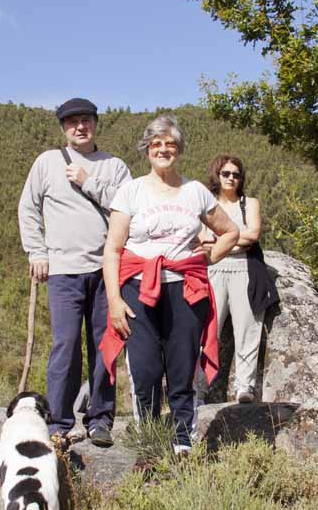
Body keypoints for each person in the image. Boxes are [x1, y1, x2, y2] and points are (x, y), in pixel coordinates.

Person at [100, 115, 239, 455]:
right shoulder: (131, 190)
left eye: (170, 144)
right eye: (156, 144)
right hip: (137, 289)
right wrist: (115, 302)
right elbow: (113, 250)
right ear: (147, 149)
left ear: (179, 150)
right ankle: (149, 443)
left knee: (181, 369)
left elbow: (231, 232)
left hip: (185, 289)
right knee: (145, 371)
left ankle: (182, 443)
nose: (163, 150)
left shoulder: (194, 192)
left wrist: (206, 258)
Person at [17, 97, 131, 446]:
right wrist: (37, 251)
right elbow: (28, 208)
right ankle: (59, 422)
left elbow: (128, 207)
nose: (80, 127)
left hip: (107, 270)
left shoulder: (114, 166)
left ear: (96, 124)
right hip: (64, 271)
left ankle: (100, 419)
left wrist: (88, 181)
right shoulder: (47, 163)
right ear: (63, 128)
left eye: (86, 120)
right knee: (65, 346)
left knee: (104, 346)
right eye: (72, 122)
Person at [197, 154, 269, 403]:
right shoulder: (207, 204)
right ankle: (198, 387)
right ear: (217, 175)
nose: (231, 178)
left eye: (236, 174)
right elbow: (201, 240)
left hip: (245, 271)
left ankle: (244, 388)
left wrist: (221, 240)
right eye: (225, 173)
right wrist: (235, 240)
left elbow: (253, 234)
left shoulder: (249, 203)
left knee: (247, 329)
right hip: (213, 270)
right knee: (207, 331)